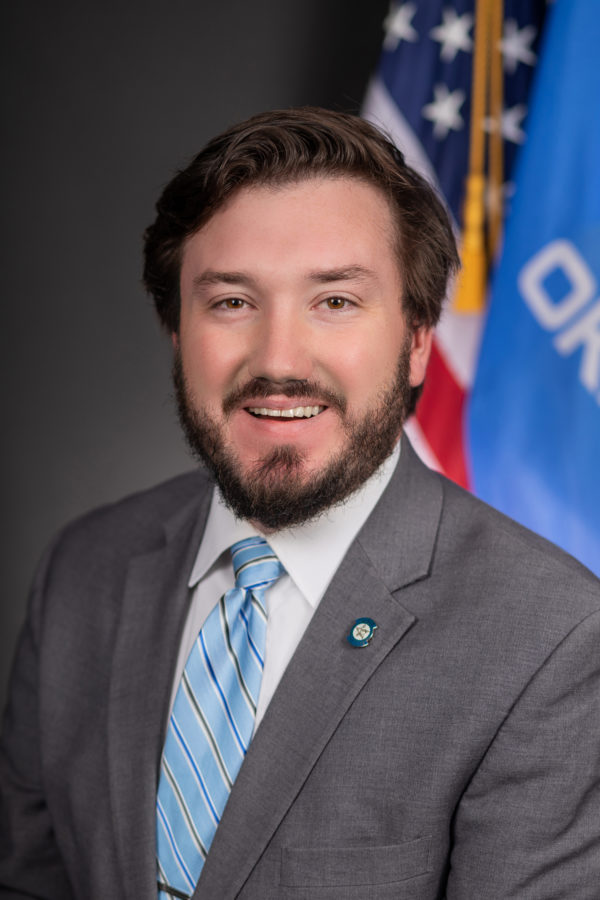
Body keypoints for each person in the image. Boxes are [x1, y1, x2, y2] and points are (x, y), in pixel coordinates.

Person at [1, 108, 599, 900]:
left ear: (418, 340)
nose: (279, 360)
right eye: (232, 302)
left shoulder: (550, 638)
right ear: (177, 332)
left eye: (336, 302)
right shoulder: (84, 569)